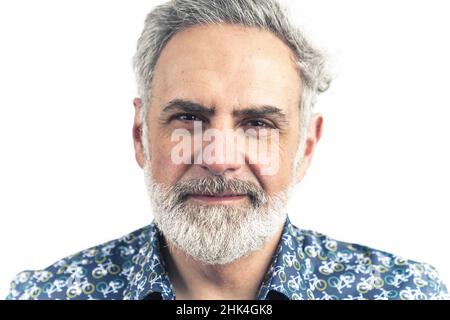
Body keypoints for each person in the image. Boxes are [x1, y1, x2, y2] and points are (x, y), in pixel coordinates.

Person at [6, 0, 448, 300]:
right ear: (140, 135)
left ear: (306, 147)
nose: (219, 158)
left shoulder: (405, 290)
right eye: (188, 119)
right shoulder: (47, 293)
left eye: (257, 124)